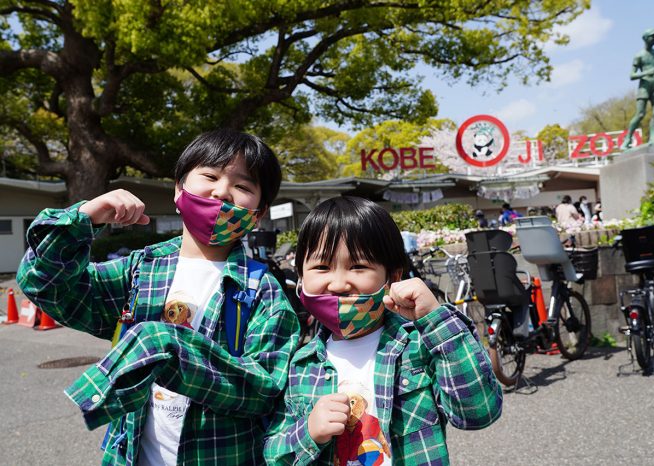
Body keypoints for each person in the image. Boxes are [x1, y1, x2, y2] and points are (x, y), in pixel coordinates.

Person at [17, 129, 300, 465]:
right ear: (179, 190)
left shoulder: (262, 292)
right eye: (209, 175)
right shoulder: (140, 270)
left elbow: (264, 390)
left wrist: (168, 350)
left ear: (258, 213)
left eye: (242, 186)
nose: (222, 191)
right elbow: (45, 285)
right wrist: (84, 219)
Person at [263, 196, 502, 465]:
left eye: (358, 267)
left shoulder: (419, 345)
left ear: (394, 276)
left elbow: (478, 412)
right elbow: (273, 453)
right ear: (301, 276)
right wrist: (308, 433)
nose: (339, 284)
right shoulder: (300, 365)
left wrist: (436, 319)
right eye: (321, 267)